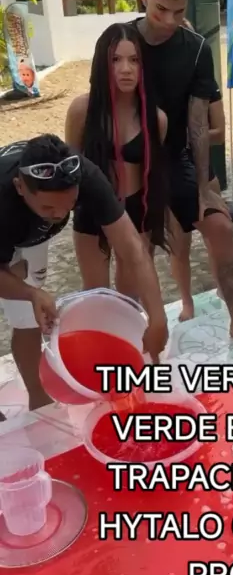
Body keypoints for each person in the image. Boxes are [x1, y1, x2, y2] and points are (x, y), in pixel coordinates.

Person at [133, 0, 233, 352]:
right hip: (132, 161)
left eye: (178, 12)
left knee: (221, 226)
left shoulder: (195, 49)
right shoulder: (121, 43)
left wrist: (205, 187)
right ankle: (138, 333)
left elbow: (198, 125)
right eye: (161, 10)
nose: (169, 21)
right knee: (137, 247)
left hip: (176, 158)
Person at [0, 135, 169, 414]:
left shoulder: (88, 177)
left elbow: (133, 249)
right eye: (48, 208)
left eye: (69, 205)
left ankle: (39, 399)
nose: (59, 214)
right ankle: (37, 397)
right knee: (23, 306)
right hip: (7, 222)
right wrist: (30, 293)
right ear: (20, 187)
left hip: (28, 234)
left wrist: (158, 316)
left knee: (29, 314)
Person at [64, 23, 168, 299]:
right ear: (102, 63)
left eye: (134, 60)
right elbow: (70, 168)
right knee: (96, 295)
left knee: (130, 298)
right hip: (92, 208)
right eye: (115, 59)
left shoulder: (156, 119)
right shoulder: (82, 111)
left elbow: (154, 173)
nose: (125, 69)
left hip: (136, 208)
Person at [170, 18, 225, 321]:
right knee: (179, 247)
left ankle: (223, 289)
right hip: (174, 172)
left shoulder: (207, 86)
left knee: (216, 238)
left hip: (203, 169)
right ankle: (186, 302)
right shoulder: (161, 86)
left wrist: (193, 134)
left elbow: (220, 131)